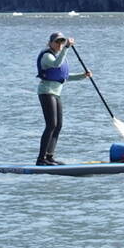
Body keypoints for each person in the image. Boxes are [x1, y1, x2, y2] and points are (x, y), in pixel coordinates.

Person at [34, 32, 91, 165]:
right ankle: (40, 159)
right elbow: (56, 65)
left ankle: (49, 156)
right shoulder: (47, 56)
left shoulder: (59, 56)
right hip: (46, 92)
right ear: (50, 43)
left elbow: (64, 76)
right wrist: (66, 48)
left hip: (56, 93)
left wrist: (83, 76)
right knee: (51, 125)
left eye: (61, 42)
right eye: (57, 42)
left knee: (58, 125)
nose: (59, 45)